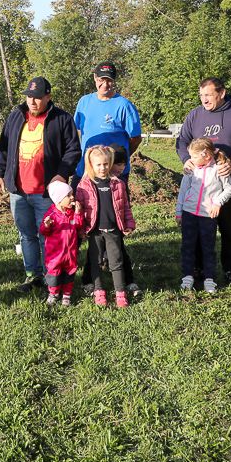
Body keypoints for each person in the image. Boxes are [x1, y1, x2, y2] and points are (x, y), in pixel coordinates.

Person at [0, 77, 80, 293]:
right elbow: (3, 148)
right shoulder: (15, 116)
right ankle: (33, 275)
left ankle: (52, 276)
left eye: (38, 98)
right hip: (18, 190)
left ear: (48, 97)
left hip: (46, 192)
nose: (33, 101)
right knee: (26, 235)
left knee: (48, 234)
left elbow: (73, 150)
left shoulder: (62, 119)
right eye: (29, 96)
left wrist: (60, 175)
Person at [175, 78, 231, 284]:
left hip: (227, 185)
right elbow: (182, 141)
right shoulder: (195, 115)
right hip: (200, 190)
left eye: (208, 95)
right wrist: (187, 160)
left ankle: (230, 270)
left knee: (229, 230)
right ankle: (196, 269)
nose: (204, 99)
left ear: (221, 93)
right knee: (197, 230)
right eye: (201, 95)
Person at [72, 62, 142, 293]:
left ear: (114, 80)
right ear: (94, 78)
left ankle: (126, 277)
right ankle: (91, 279)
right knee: (89, 227)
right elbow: (79, 132)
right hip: (86, 174)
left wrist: (116, 163)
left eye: (109, 79)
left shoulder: (124, 105)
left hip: (114, 177)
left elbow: (135, 138)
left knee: (114, 226)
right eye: (101, 79)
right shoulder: (84, 102)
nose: (105, 83)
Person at [75, 146, 135, 308]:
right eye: (99, 165)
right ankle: (99, 291)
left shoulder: (118, 184)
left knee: (116, 261)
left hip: (114, 230)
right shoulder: (84, 186)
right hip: (94, 232)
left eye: (106, 164)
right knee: (95, 261)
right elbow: (79, 211)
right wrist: (81, 229)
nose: (103, 168)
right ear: (91, 165)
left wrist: (129, 223)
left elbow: (125, 206)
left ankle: (120, 293)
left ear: (111, 163)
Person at [175, 138, 231, 293]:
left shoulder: (219, 168)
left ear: (207, 155)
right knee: (188, 246)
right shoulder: (191, 169)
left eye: (194, 157)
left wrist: (217, 203)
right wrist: (179, 211)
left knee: (208, 248)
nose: (191, 160)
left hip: (207, 215)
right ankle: (187, 276)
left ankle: (210, 279)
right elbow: (183, 190)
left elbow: (229, 189)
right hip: (189, 213)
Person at [38, 180, 86, 306]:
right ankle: (53, 293)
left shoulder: (71, 213)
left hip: (70, 253)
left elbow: (78, 226)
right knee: (54, 275)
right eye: (69, 196)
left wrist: (78, 214)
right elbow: (43, 231)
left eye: (72, 194)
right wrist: (46, 225)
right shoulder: (52, 215)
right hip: (55, 255)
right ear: (58, 199)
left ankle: (66, 295)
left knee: (69, 274)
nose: (72, 197)